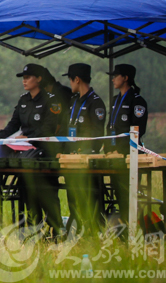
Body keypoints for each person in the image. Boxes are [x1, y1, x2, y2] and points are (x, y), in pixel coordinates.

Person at [0, 63, 63, 236]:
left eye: (28, 77)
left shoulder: (51, 100)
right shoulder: (23, 100)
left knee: (47, 194)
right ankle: (33, 232)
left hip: (45, 154)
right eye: (23, 78)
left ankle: (56, 232)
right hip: (25, 154)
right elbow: (14, 124)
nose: (24, 81)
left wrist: (28, 137)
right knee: (27, 194)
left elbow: (49, 128)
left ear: (39, 79)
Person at [63, 62, 107, 233]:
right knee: (73, 199)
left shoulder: (95, 103)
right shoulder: (74, 101)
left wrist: (84, 150)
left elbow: (97, 134)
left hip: (87, 162)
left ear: (77, 79)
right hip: (71, 160)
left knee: (90, 198)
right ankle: (76, 231)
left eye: (70, 80)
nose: (70, 84)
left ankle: (93, 231)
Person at [106, 63, 148, 220]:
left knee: (129, 195)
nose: (112, 79)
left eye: (115, 76)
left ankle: (133, 227)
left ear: (125, 78)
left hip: (130, 155)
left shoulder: (137, 101)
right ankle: (123, 226)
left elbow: (138, 129)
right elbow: (110, 126)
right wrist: (108, 148)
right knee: (117, 194)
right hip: (114, 156)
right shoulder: (115, 100)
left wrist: (122, 149)